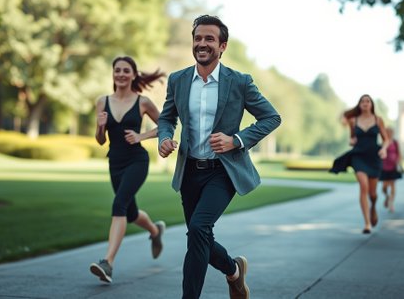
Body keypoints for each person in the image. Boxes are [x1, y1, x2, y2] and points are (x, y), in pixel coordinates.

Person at [157, 15, 281, 299]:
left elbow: (271, 117)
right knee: (199, 236)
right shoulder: (178, 80)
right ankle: (234, 271)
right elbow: (167, 118)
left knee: (199, 229)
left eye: (209, 39)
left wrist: (236, 140)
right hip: (190, 170)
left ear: (222, 46)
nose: (202, 44)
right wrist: (164, 138)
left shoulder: (239, 82)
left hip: (222, 172)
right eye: (198, 38)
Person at [89, 56, 167, 284]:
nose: (121, 74)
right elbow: (101, 141)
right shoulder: (102, 101)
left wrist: (141, 136)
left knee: (119, 205)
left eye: (126, 70)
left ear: (133, 75)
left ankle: (108, 263)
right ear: (113, 74)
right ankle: (155, 231)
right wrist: (100, 127)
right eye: (117, 70)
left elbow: (166, 125)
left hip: (137, 161)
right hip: (115, 161)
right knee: (130, 213)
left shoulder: (143, 102)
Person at [330, 94, 389, 234]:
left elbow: (386, 139)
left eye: (368, 101)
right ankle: (367, 223)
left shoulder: (378, 120)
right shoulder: (353, 121)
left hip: (374, 157)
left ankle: (373, 206)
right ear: (359, 104)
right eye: (362, 101)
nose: (365, 103)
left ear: (371, 104)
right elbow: (352, 137)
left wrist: (384, 149)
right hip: (359, 156)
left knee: (373, 194)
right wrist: (351, 140)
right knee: (363, 186)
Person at [380, 127, 403, 213]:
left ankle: (391, 204)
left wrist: (399, 162)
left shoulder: (395, 143)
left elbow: (399, 153)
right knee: (384, 187)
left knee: (393, 185)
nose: (389, 134)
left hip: (393, 167)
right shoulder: (383, 143)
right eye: (388, 132)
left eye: (391, 132)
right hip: (384, 168)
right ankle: (387, 197)